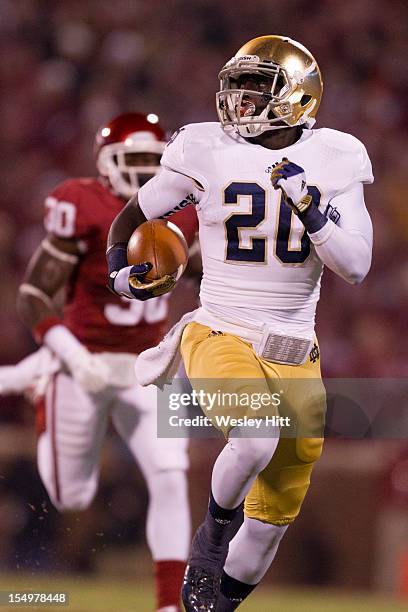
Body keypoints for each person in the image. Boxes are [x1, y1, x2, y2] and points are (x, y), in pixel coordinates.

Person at [106, 35, 373, 611]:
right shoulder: (203, 146)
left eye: (258, 88)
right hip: (221, 327)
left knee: (273, 520)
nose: (241, 100)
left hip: (296, 346)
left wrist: (314, 214)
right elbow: (135, 215)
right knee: (255, 439)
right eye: (239, 86)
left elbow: (355, 265)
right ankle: (208, 540)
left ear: (298, 97)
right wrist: (117, 271)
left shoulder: (337, 155)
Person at [11, 112, 198, 612]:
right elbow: (33, 295)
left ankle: (168, 605)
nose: (140, 173)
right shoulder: (83, 205)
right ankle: (43, 386)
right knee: (72, 497)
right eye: (130, 160)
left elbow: (209, 275)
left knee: (170, 473)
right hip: (83, 363)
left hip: (148, 366)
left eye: (150, 162)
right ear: (105, 163)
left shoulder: (185, 212)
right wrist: (70, 355)